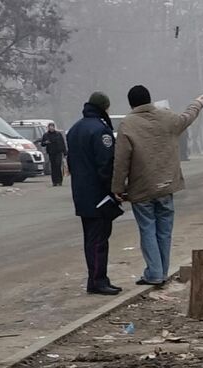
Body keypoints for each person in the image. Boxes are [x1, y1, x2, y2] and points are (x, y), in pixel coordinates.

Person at [112, 85, 203, 286]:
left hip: (142, 188)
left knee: (147, 229)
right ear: (150, 99)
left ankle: (154, 273)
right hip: (166, 186)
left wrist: (118, 187)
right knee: (164, 231)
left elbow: (121, 160)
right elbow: (187, 117)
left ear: (131, 103)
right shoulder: (167, 117)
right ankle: (161, 271)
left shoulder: (128, 124)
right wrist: (197, 103)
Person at [67, 92, 121, 296]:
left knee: (90, 238)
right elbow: (106, 164)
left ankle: (95, 278)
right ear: (104, 107)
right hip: (98, 195)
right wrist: (114, 190)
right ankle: (99, 280)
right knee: (99, 240)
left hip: (81, 192)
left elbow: (71, 162)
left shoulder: (74, 129)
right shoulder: (100, 131)